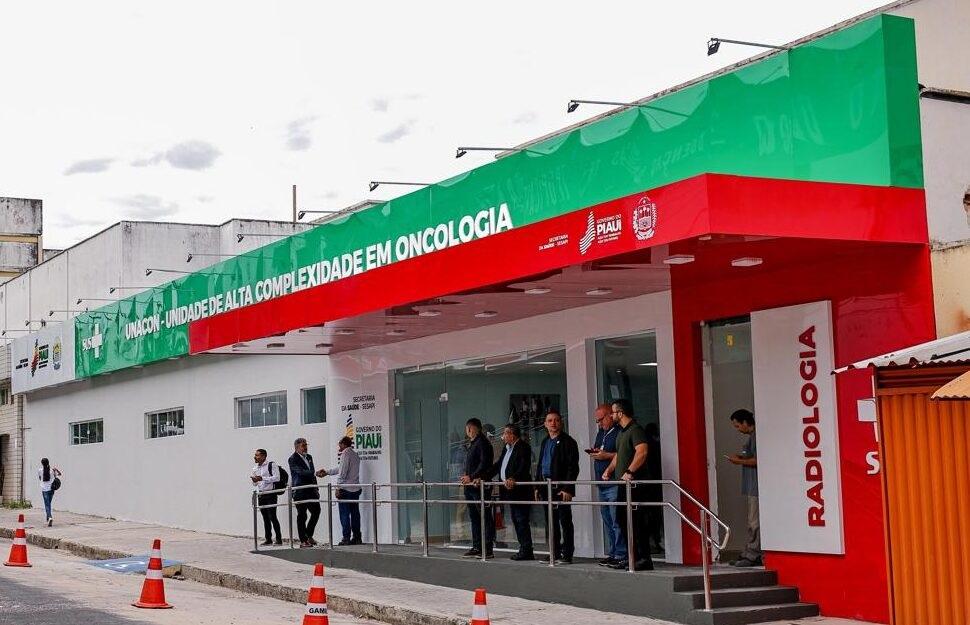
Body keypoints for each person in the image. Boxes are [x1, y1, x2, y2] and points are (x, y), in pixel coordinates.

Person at [603, 399, 654, 571]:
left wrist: (630, 471)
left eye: (613, 412)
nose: (611, 415)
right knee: (622, 520)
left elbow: (642, 452)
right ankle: (632, 557)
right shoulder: (621, 432)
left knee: (636, 521)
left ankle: (644, 558)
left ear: (620, 413)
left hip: (634, 485)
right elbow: (619, 455)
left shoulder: (635, 430)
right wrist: (609, 470)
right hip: (622, 485)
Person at [535, 410, 579, 564]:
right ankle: (554, 553)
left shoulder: (568, 442)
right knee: (551, 522)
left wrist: (568, 488)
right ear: (545, 424)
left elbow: (573, 468)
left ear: (561, 423)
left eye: (556, 420)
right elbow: (540, 465)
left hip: (560, 488)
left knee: (565, 521)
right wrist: (537, 486)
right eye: (550, 420)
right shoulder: (545, 441)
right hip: (545, 486)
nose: (553, 423)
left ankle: (567, 554)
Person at [487, 424, 534, 560]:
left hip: (520, 491)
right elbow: (498, 465)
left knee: (521, 520)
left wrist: (514, 478)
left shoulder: (523, 447)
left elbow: (523, 467)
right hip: (510, 492)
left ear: (512, 435)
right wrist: (484, 476)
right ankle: (523, 549)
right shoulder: (506, 448)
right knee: (516, 520)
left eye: (505, 434)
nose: (503, 437)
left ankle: (526, 550)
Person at [588, 403, 626, 567]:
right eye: (597, 421)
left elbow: (623, 453)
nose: (599, 423)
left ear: (611, 415)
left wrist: (606, 456)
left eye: (601, 419)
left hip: (614, 482)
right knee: (608, 521)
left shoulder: (619, 432)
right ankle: (613, 552)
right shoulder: (601, 433)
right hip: (601, 483)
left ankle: (621, 554)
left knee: (617, 520)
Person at [727, 409, 761, 567]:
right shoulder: (751, 439)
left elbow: (757, 460)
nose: (738, 429)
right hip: (751, 486)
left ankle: (753, 554)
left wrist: (739, 461)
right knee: (752, 521)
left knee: (754, 522)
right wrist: (741, 457)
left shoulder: (757, 437)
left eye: (738, 425)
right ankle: (750, 551)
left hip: (756, 487)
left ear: (746, 422)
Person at [459, 418, 495, 558]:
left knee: (484, 517)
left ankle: (487, 548)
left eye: (468, 429)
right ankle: (477, 546)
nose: (467, 432)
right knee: (474, 517)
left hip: (479, 485)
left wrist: (472, 476)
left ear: (472, 428)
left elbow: (484, 464)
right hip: (470, 486)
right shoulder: (473, 444)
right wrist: (466, 476)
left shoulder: (482, 443)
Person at [322, 436, 362, 546]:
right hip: (355, 489)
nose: (338, 446)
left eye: (339, 443)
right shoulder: (355, 454)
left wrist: (338, 487)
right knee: (355, 514)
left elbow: (342, 472)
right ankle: (357, 537)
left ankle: (346, 538)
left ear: (343, 444)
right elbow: (341, 468)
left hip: (346, 489)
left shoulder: (345, 454)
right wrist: (327, 472)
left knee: (344, 514)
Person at [289, 438, 325, 548]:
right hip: (300, 491)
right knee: (302, 515)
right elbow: (300, 472)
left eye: (306, 445)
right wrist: (314, 473)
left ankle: (309, 535)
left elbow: (311, 474)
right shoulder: (292, 459)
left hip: (311, 490)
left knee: (316, 511)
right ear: (296, 447)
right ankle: (303, 540)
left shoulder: (309, 457)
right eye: (303, 445)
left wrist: (316, 488)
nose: (305, 447)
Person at [251, 449, 283, 545]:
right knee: (265, 517)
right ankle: (268, 539)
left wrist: (262, 478)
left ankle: (279, 539)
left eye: (257, 455)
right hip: (261, 495)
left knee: (272, 516)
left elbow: (277, 478)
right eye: (255, 455)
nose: (255, 457)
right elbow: (255, 484)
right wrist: (255, 480)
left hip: (271, 494)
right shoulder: (255, 468)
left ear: (264, 456)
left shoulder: (271, 465)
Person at [38, 458, 62, 527]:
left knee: (47, 504)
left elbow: (40, 478)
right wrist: (56, 469)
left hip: (44, 489)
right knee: (48, 504)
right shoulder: (52, 470)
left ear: (42, 463)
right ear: (48, 462)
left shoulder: (40, 470)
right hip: (51, 489)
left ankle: (50, 517)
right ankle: (48, 516)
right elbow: (59, 474)